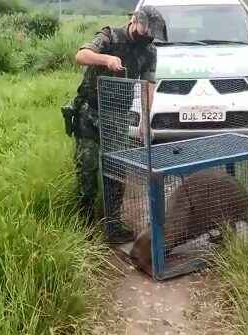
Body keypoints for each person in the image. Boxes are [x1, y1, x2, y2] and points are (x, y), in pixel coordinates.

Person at [61, 6, 166, 243]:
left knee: (117, 171)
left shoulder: (149, 51)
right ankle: (86, 226)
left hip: (118, 115)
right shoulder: (110, 36)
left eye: (153, 33)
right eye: (146, 30)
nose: (149, 36)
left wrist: (145, 123)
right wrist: (106, 58)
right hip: (90, 111)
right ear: (134, 21)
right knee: (86, 170)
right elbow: (81, 55)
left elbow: (148, 86)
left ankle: (113, 225)